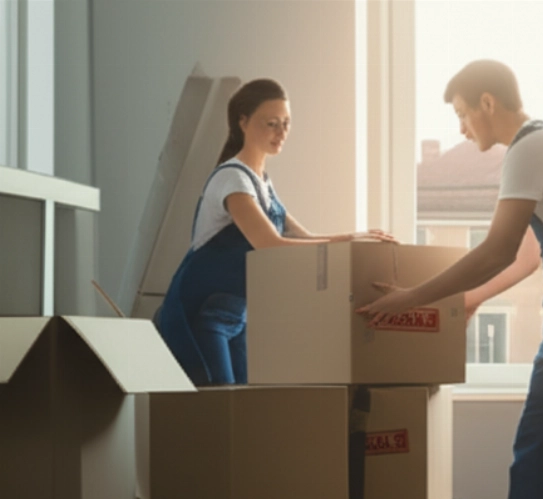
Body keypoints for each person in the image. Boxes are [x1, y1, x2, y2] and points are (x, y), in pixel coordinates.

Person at [357, 59, 543, 499]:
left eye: (463, 114)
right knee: (534, 458)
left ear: (488, 103)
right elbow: (529, 255)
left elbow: (496, 250)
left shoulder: (532, 148)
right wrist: (470, 300)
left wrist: (415, 300)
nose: (461, 129)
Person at [156, 78, 395, 386]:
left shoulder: (262, 182)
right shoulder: (232, 179)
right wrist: (348, 243)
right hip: (200, 315)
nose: (281, 132)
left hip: (235, 316)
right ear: (243, 122)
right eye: (271, 123)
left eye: (286, 123)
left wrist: (355, 237)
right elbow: (269, 245)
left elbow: (300, 237)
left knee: (245, 405)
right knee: (219, 409)